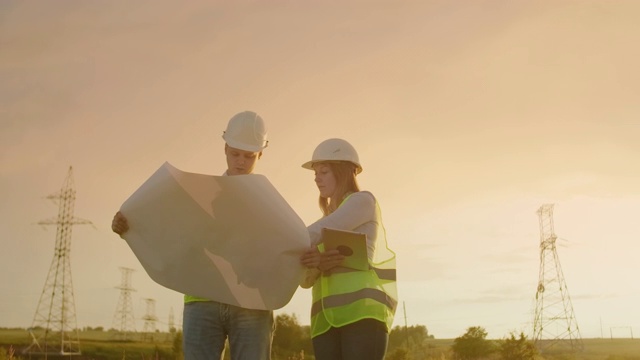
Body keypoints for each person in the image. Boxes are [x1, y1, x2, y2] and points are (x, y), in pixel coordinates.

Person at [111, 111, 274, 360]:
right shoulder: (200, 196)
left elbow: (280, 252)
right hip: (202, 298)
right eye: (235, 154)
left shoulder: (271, 206)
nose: (241, 161)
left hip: (251, 304)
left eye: (249, 156)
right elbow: (170, 232)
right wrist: (129, 226)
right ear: (225, 148)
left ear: (261, 154)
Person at [298, 138, 398, 360]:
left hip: (361, 316)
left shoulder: (362, 202)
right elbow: (304, 281)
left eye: (323, 171)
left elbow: (310, 235)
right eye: (316, 173)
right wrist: (317, 264)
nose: (316, 178)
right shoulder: (323, 226)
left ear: (344, 172)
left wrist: (283, 242)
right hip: (325, 322)